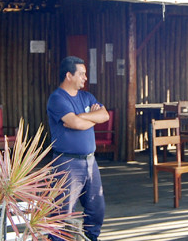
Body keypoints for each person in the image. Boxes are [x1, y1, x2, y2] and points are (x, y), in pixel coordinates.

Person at [47, 56, 109, 241]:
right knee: (62, 211)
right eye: (81, 74)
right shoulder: (57, 98)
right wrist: (91, 116)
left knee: (97, 209)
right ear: (69, 75)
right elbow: (75, 124)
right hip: (66, 162)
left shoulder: (87, 97)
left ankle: (92, 238)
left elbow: (104, 115)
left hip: (90, 161)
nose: (85, 78)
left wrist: (84, 116)